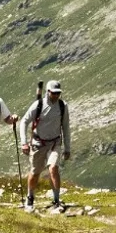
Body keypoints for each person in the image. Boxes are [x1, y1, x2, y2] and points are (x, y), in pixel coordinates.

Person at [21, 80, 71, 210]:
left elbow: (65, 127)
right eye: (53, 93)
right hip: (38, 143)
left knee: (53, 168)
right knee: (35, 172)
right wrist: (24, 143)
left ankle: (56, 200)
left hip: (55, 143)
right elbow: (24, 122)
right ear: (48, 92)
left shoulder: (62, 106)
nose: (56, 95)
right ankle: (30, 197)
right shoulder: (38, 105)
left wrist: (67, 148)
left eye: (58, 93)